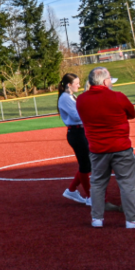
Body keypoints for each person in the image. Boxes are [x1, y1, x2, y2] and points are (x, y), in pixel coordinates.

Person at [76, 67, 135, 229]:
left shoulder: (81, 100)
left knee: (97, 183)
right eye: (110, 79)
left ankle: (97, 218)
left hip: (97, 149)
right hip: (120, 147)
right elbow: (131, 113)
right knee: (127, 183)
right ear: (104, 81)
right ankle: (132, 218)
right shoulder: (117, 97)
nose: (111, 82)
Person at [57, 73, 92, 207]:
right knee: (85, 165)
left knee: (86, 163)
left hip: (80, 131)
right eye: (76, 83)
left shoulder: (71, 96)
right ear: (69, 85)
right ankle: (90, 196)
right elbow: (77, 116)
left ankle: (71, 190)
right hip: (76, 132)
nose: (78, 85)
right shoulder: (65, 98)